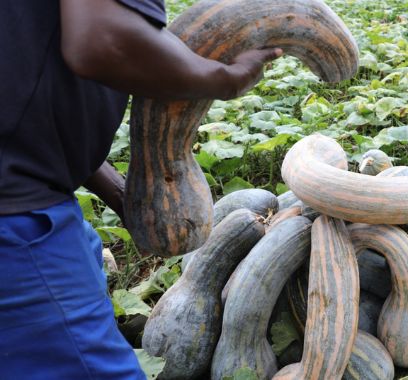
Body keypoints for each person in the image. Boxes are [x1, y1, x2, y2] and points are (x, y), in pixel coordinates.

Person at [0, 0, 281, 378]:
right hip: (19, 220)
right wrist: (223, 79)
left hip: (26, 188)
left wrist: (122, 194)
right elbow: (102, 41)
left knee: (81, 260)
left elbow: (20, 79)